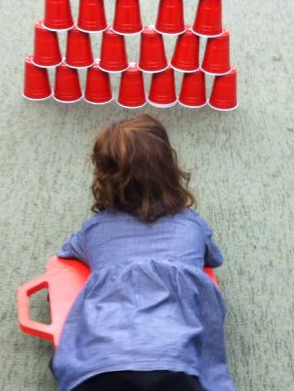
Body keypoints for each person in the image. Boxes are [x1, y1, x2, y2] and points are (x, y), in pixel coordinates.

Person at [52, 115, 236, 391]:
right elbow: (212, 259)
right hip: (174, 362)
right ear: (169, 167)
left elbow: (66, 253)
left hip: (101, 363)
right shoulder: (192, 225)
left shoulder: (94, 231)